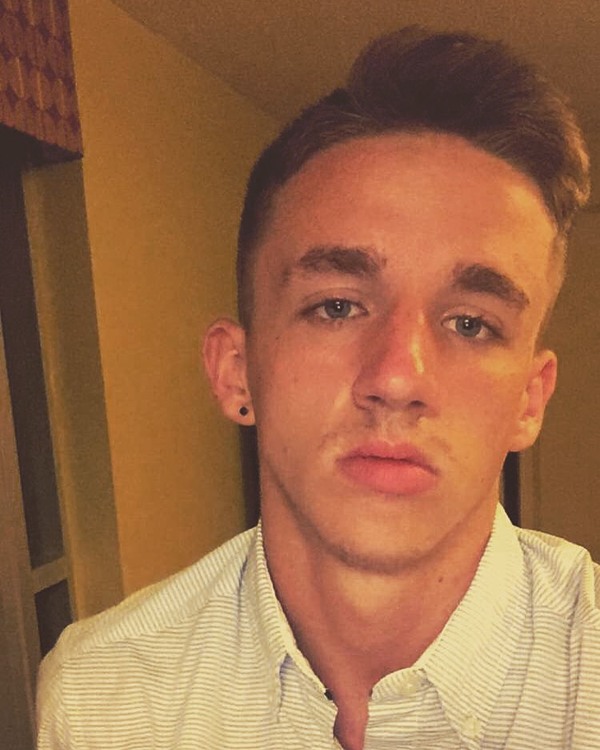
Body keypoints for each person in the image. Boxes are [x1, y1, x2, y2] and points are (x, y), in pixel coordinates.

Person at [37, 26, 599, 750]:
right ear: (236, 371)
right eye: (336, 307)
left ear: (530, 399)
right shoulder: (101, 698)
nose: (397, 378)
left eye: (470, 323)